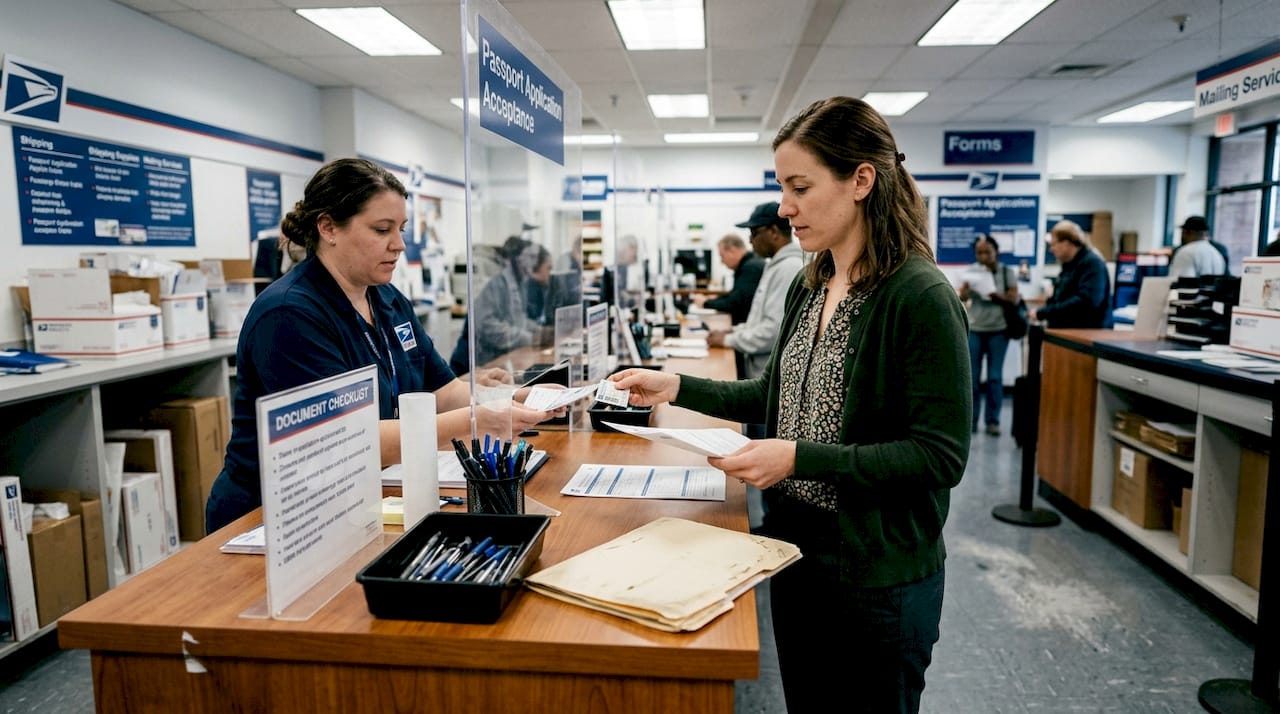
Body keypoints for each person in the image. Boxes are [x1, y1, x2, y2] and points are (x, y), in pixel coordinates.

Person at [611, 96, 970, 714]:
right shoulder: (813, 283)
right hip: (795, 551)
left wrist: (799, 458)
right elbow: (773, 397)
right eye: (783, 187)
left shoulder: (919, 295)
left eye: (800, 187)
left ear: (861, 180)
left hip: (877, 577)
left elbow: (938, 456)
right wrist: (676, 386)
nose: (785, 207)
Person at [206, 158, 558, 534]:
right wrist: (474, 423)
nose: (400, 244)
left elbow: (443, 390)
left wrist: (516, 398)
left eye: (401, 229)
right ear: (328, 228)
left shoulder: (386, 299)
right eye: (381, 229)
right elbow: (346, 440)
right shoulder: (288, 314)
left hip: (354, 498)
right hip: (273, 518)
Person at [707, 201, 804, 382]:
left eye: (754, 233)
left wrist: (728, 340)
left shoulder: (789, 268)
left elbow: (772, 332)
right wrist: (733, 331)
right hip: (759, 370)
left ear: (773, 232)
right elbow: (760, 321)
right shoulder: (775, 265)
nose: (750, 241)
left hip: (768, 376)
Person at [450, 236, 553, 375]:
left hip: (496, 363)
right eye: (528, 257)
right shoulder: (496, 280)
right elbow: (487, 326)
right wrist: (532, 338)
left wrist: (540, 331)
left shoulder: (519, 282)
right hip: (471, 366)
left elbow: (517, 319)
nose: (532, 263)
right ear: (516, 258)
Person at [957, 234, 1019, 436]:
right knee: (972, 378)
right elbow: (962, 297)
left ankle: (993, 420)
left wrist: (992, 293)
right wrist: (966, 292)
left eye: (987, 252)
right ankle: (971, 421)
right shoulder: (972, 271)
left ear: (996, 252)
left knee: (994, 377)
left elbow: (1013, 299)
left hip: (998, 331)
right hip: (975, 328)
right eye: (979, 252)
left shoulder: (1006, 272)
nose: (983, 256)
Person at [1031, 220, 1113, 328]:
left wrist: (1044, 313)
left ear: (1066, 243)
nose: (1051, 250)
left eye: (1053, 244)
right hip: (1066, 333)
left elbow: (1086, 302)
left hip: (1086, 334)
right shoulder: (1069, 266)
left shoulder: (1092, 263)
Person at [702, 233, 764, 325]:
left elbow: (734, 303)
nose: (721, 261)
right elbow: (734, 295)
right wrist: (714, 300)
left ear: (732, 251)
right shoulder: (749, 264)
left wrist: (706, 303)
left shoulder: (751, 268)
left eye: (722, 256)